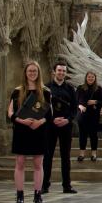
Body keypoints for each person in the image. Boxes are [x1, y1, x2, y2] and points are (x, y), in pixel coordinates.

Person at [7, 61, 52, 203]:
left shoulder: (45, 91)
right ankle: (20, 197)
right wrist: (22, 120)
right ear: (25, 73)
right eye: (29, 71)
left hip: (39, 130)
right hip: (22, 130)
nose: (32, 73)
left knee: (38, 164)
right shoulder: (17, 91)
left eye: (35, 71)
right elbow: (10, 113)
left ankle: (38, 196)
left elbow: (50, 114)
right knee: (20, 163)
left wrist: (40, 122)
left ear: (38, 73)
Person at [43, 61, 78, 194]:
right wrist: (52, 120)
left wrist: (67, 120)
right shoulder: (46, 88)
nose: (61, 73)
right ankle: (45, 185)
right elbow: (43, 107)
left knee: (65, 156)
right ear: (54, 72)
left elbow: (74, 108)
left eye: (63, 71)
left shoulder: (70, 89)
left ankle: (66, 185)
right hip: (50, 126)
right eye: (59, 70)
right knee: (48, 156)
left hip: (65, 126)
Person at [76, 72, 102, 162]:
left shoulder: (99, 89)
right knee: (82, 135)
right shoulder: (80, 88)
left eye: (92, 77)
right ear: (86, 78)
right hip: (82, 116)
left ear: (95, 78)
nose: (90, 78)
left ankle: (93, 154)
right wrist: (79, 106)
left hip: (94, 116)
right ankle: (82, 154)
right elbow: (74, 101)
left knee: (93, 135)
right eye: (89, 77)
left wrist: (95, 102)